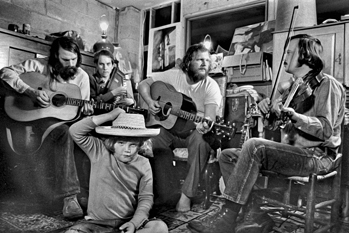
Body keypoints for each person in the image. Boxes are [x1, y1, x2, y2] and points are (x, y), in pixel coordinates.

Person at [187, 34, 346, 233]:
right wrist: (268, 113)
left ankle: (227, 216)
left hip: (318, 156)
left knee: (255, 146)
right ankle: (256, 214)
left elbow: (325, 129)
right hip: (293, 152)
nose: (285, 56)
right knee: (227, 157)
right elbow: (275, 126)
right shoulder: (293, 87)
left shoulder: (327, 85)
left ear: (304, 55)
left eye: (289, 52)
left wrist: (296, 117)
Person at [0, 36, 93, 219]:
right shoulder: (37, 65)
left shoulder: (82, 76)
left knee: (70, 132)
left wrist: (87, 110)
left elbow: (81, 109)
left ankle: (79, 196)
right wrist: (29, 91)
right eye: (65, 59)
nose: (70, 64)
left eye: (74, 59)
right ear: (54, 56)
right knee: (63, 133)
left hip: (63, 121)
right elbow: (5, 72)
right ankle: (69, 197)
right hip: (33, 118)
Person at [138, 43, 222, 212]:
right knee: (157, 135)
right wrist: (150, 102)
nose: (205, 64)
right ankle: (167, 193)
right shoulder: (174, 75)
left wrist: (205, 125)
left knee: (201, 140)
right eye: (200, 60)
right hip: (172, 130)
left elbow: (210, 117)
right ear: (188, 61)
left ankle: (186, 197)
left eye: (207, 60)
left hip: (194, 132)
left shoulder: (211, 86)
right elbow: (142, 85)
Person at [66, 108, 168, 233]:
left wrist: (134, 223)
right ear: (111, 142)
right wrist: (110, 115)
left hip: (128, 222)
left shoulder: (143, 163)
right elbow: (74, 131)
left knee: (160, 228)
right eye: (121, 143)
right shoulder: (99, 150)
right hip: (97, 223)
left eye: (133, 144)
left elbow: (146, 197)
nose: (127, 150)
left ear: (140, 145)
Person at [89, 49, 134, 115]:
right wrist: (114, 92)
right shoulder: (91, 79)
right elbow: (93, 102)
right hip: (99, 115)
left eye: (108, 64)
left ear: (113, 65)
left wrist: (129, 101)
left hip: (118, 115)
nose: (105, 68)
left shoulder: (119, 77)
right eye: (101, 64)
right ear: (96, 65)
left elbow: (133, 103)